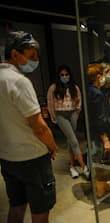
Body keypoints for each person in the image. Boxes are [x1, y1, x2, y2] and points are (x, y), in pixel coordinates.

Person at [0, 31, 58, 223]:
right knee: (40, 211)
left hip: (8, 158)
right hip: (32, 158)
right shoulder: (19, 81)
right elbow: (39, 127)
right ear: (15, 54)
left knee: (16, 206)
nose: (35, 61)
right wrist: (52, 145)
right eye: (31, 56)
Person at [47, 65, 89, 179]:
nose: (65, 77)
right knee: (74, 141)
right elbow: (50, 103)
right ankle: (84, 167)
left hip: (73, 113)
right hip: (61, 115)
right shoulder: (53, 88)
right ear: (58, 76)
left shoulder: (74, 87)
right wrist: (53, 116)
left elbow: (79, 101)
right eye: (62, 75)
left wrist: (77, 110)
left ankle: (71, 166)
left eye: (66, 74)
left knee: (70, 140)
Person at [86, 63, 110, 163]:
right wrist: (105, 138)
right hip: (97, 133)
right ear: (98, 76)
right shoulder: (97, 94)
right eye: (102, 74)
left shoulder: (89, 90)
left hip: (91, 131)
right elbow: (99, 117)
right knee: (96, 158)